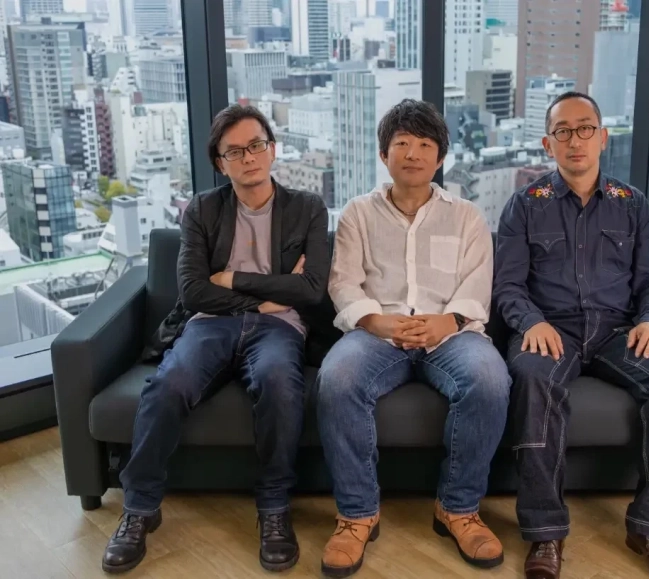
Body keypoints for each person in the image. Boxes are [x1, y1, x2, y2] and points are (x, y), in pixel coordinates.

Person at [101, 104, 329, 574]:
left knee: (280, 385)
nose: (249, 157)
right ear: (220, 163)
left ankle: (274, 507)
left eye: (257, 145)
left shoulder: (307, 208)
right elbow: (193, 291)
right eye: (235, 151)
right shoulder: (202, 209)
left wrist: (232, 279)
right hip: (210, 322)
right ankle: (140, 508)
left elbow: (310, 289)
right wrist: (265, 297)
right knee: (168, 385)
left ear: (273, 149)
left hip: (281, 327)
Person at [494, 91, 649, 579]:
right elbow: (507, 286)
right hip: (551, 329)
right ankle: (546, 535)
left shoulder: (633, 204)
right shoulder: (525, 205)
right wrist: (531, 322)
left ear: (603, 137)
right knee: (532, 378)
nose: (575, 140)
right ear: (548, 143)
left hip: (619, 330)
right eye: (563, 131)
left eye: (585, 128)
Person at [316, 99, 511, 577]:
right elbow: (343, 283)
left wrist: (450, 321)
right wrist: (374, 321)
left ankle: (458, 509)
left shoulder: (466, 215)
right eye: (402, 143)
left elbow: (478, 283)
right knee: (337, 378)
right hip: (378, 334)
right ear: (384, 154)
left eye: (425, 144)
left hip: (450, 335)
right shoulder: (357, 213)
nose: (413, 153)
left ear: (440, 157)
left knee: (489, 379)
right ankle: (357, 515)